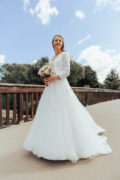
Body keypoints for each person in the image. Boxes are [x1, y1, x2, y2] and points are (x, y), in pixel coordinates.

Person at [23, 34, 112, 163]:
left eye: (60, 40)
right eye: (55, 40)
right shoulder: (51, 58)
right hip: (51, 88)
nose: (57, 42)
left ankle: (67, 146)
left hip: (61, 86)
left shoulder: (65, 55)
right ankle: (47, 143)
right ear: (52, 43)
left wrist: (53, 77)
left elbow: (66, 72)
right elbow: (52, 70)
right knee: (49, 113)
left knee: (65, 112)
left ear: (62, 43)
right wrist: (47, 78)